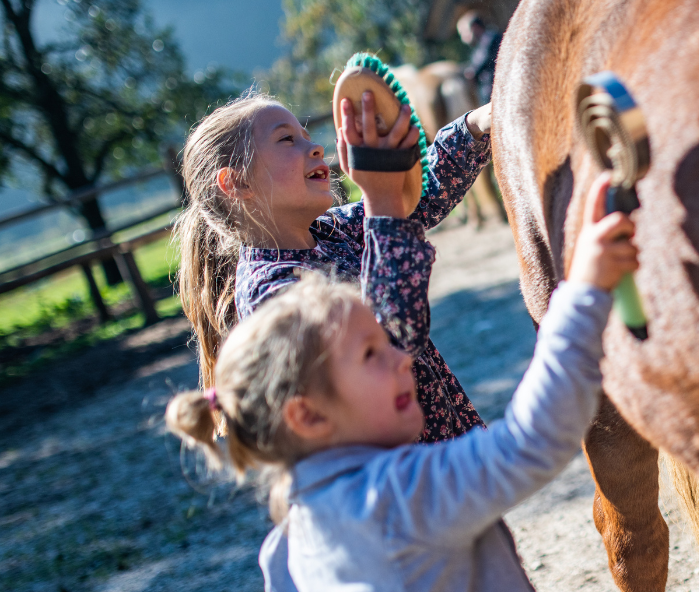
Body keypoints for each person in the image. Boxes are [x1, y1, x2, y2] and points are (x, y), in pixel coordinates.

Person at [163, 173, 637, 592]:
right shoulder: (400, 494)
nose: (403, 359)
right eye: (372, 352)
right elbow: (529, 443)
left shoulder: (284, 550)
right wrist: (584, 293)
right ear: (306, 413)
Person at [174, 89, 493, 444]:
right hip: (395, 482)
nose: (314, 148)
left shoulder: (332, 231)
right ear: (237, 183)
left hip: (441, 456)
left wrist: (476, 125)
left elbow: (416, 200)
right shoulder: (270, 292)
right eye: (286, 139)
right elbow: (390, 343)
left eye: (308, 137)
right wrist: (379, 198)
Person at [457, 11, 502, 104]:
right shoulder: (480, 45)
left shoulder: (490, 39)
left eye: (464, 32)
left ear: (474, 27)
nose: (462, 38)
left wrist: (468, 73)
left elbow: (478, 65)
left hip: (498, 94)